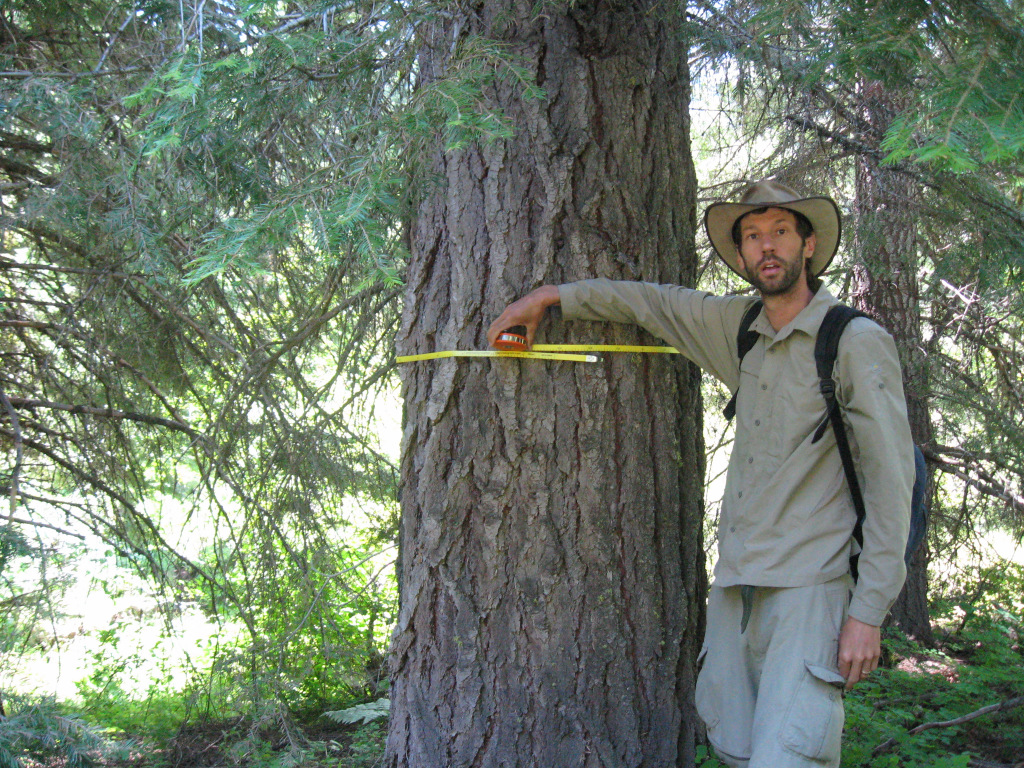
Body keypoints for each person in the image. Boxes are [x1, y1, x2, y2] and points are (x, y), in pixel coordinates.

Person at [486, 180, 914, 768]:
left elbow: (892, 481)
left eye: (781, 232)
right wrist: (551, 296)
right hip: (736, 591)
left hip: (810, 592)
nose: (768, 248)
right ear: (740, 257)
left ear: (808, 244)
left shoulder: (853, 341)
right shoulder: (740, 331)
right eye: (753, 237)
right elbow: (652, 303)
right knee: (738, 754)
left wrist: (868, 611)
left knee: (789, 759)